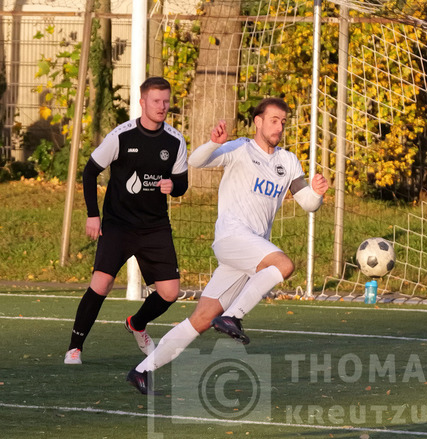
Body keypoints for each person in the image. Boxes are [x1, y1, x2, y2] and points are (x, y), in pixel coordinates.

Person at [126, 97, 329, 394]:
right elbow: (196, 161)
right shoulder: (239, 148)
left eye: (283, 122)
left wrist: (317, 192)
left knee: (201, 319)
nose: (279, 127)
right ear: (258, 121)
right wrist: (213, 143)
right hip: (232, 236)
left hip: (250, 249)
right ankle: (234, 316)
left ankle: (141, 371)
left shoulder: (288, 161)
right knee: (284, 265)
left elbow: (308, 203)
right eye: (273, 120)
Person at [64, 77, 188, 364]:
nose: (162, 106)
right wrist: (93, 215)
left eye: (166, 101)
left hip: (155, 226)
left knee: (170, 292)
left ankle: (137, 323)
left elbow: (181, 184)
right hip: (119, 224)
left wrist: (173, 186)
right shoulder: (121, 136)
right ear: (142, 102)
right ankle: (74, 347)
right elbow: (89, 172)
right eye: (156, 101)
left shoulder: (175, 140)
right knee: (102, 283)